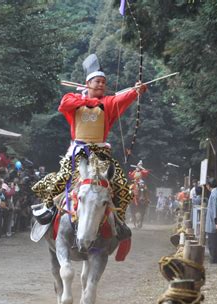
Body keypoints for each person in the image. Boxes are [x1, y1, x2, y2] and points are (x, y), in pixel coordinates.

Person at [31, 54, 147, 236]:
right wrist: (89, 101)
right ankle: (48, 209)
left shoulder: (108, 103)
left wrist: (136, 90)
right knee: (61, 179)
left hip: (100, 154)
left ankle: (119, 222)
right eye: (97, 81)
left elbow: (122, 98)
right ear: (88, 83)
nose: (101, 84)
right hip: (78, 151)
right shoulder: (75, 99)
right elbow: (63, 104)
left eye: (103, 82)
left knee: (121, 185)